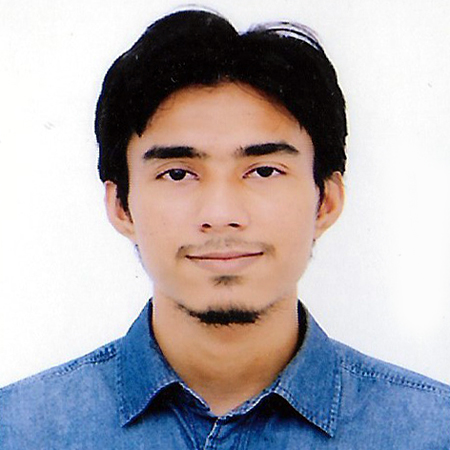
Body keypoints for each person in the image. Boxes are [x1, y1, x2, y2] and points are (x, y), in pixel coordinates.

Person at [0, 8, 448, 449]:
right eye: (178, 173)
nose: (220, 213)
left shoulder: (432, 432)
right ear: (121, 206)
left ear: (326, 201)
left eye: (264, 171)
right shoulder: (18, 431)